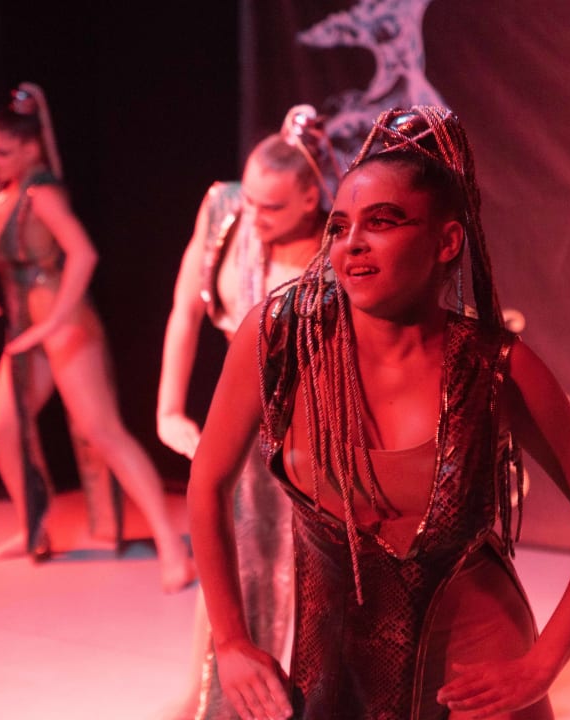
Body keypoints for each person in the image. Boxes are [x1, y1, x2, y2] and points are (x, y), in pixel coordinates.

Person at [187, 105, 570, 718]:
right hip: (337, 676)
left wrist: (541, 665)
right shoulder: (280, 337)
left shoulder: (495, 367)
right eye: (340, 226)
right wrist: (231, 641)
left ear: (447, 241)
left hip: (477, 681)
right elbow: (206, 483)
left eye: (381, 221)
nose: (353, 243)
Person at [0, 81, 194, 592]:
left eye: (2, 152)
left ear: (30, 149)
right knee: (0, 430)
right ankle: (33, 527)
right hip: (28, 327)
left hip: (64, 324)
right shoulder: (3, 194)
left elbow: (84, 255)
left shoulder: (42, 194)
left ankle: (172, 548)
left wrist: (51, 323)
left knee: (102, 430)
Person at [157, 105, 340, 717]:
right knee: (229, 557)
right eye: (252, 200)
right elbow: (186, 309)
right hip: (237, 418)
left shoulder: (338, 245)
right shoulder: (225, 209)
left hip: (308, 431)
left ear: (311, 197)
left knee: (302, 574)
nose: (254, 216)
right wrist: (168, 408)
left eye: (272, 207)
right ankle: (217, 699)